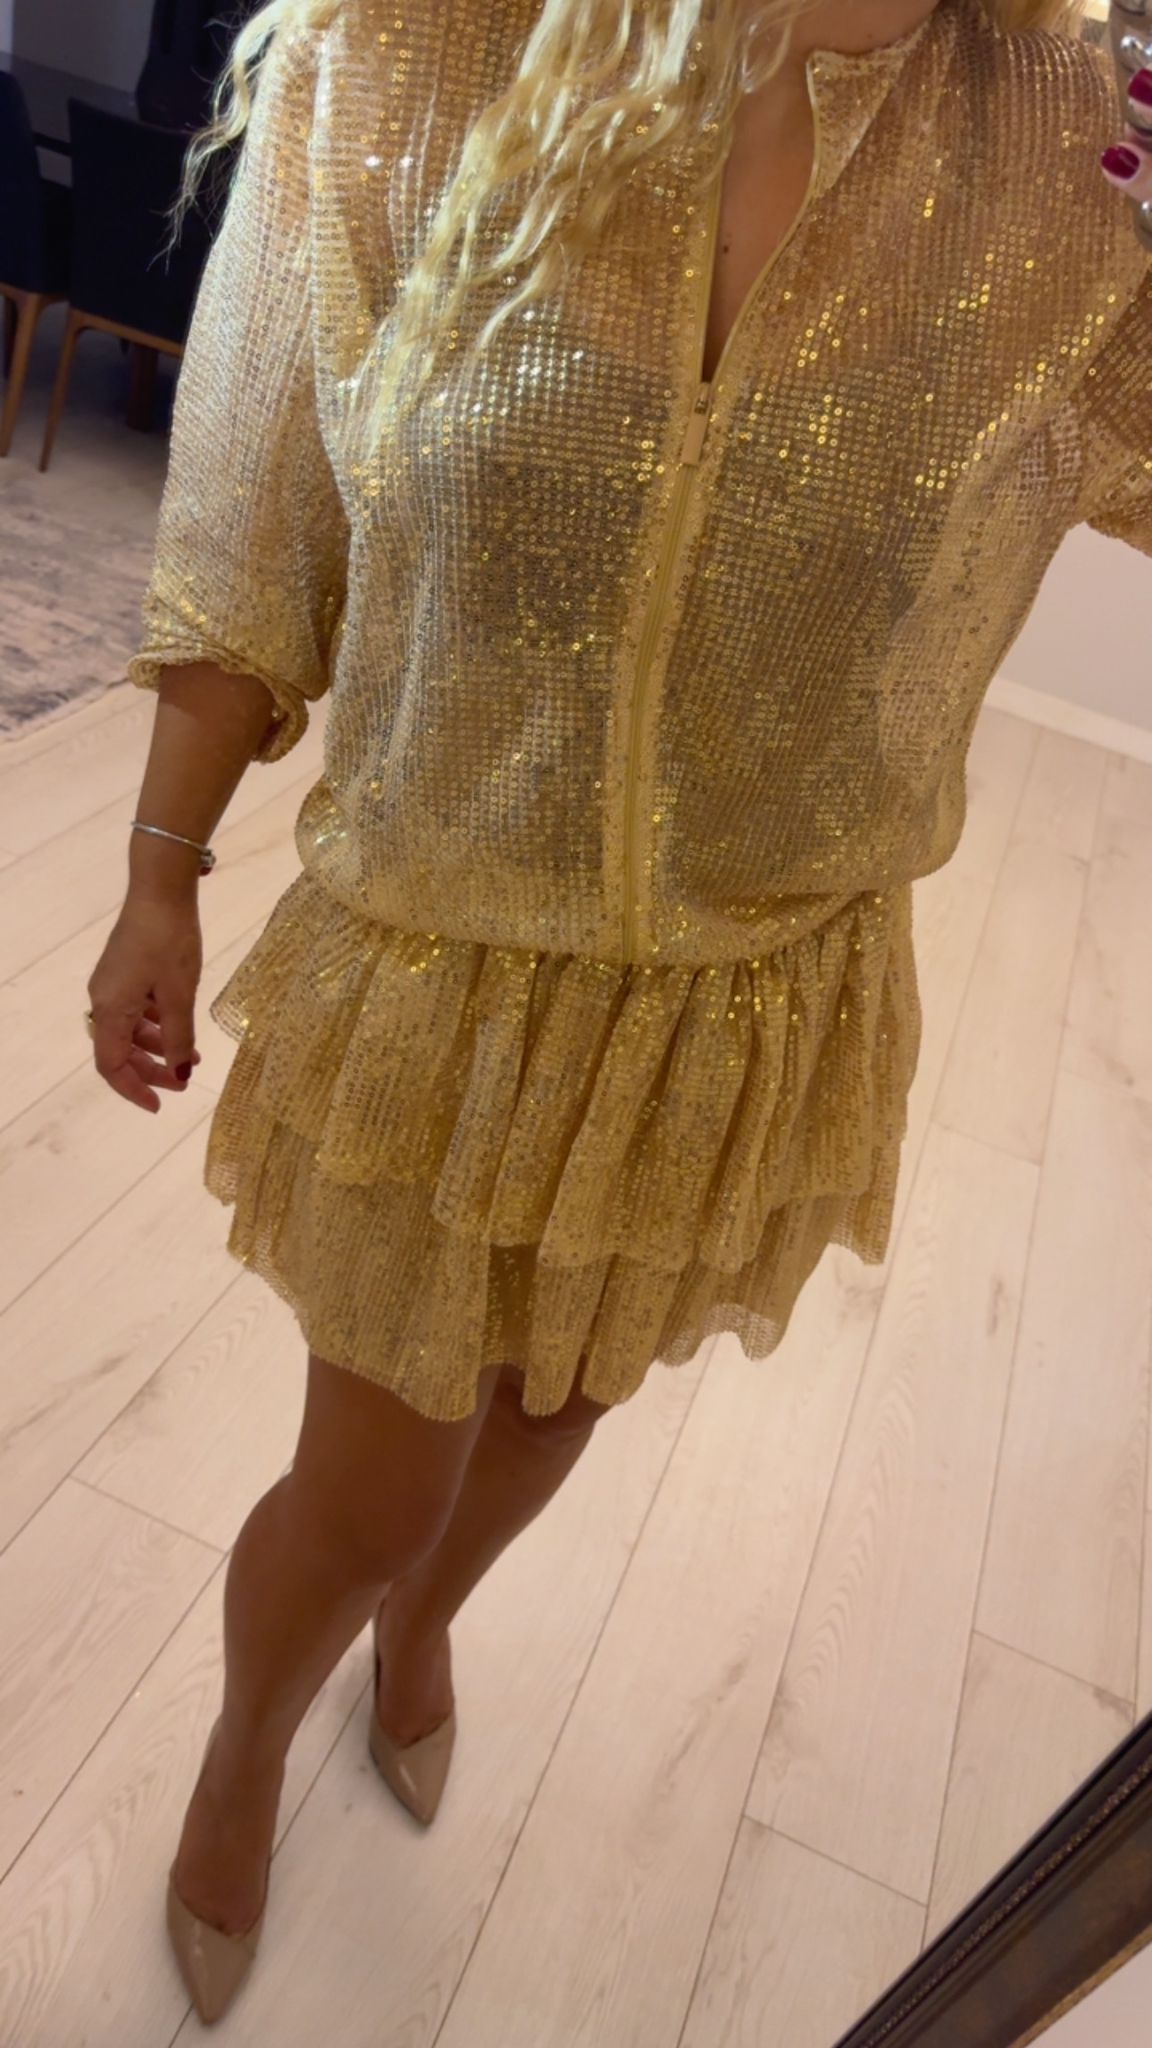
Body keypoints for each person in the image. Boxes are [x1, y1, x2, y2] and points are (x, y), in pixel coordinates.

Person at [83, 0, 1151, 2021]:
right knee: (370, 1485)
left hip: (749, 1005)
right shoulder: (415, 49)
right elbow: (252, 504)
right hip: (442, 960)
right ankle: (245, 1745)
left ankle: (427, 1629)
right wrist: (161, 861)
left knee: (561, 1397)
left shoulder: (1076, 144)